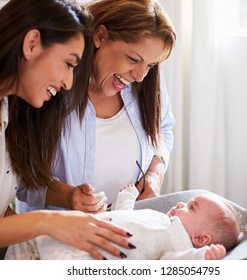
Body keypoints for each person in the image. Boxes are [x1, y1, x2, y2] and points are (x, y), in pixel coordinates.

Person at [0, 0, 134, 260]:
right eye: (69, 64)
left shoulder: (14, 113)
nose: (69, 83)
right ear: (32, 43)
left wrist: (53, 242)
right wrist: (46, 221)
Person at [16, 0, 176, 213]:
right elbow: (19, 175)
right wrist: (68, 196)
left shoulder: (146, 82)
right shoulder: (51, 86)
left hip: (127, 229)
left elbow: (163, 129)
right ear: (100, 37)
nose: (139, 76)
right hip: (59, 237)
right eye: (132, 59)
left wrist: (155, 174)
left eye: (150, 65)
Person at [6, 186, 241, 260]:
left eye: (191, 208)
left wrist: (200, 257)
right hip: (67, 232)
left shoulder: (178, 243)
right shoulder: (160, 218)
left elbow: (171, 266)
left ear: (201, 239)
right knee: (25, 240)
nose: (181, 205)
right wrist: (127, 199)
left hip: (83, 256)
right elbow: (126, 218)